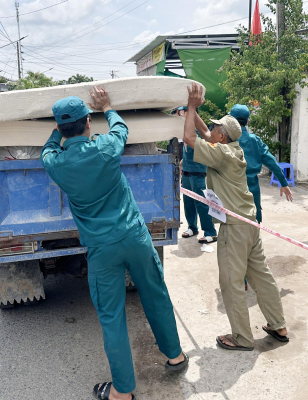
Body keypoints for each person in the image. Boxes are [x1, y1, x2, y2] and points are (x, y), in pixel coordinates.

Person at [41, 88, 187, 400]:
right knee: (155, 294)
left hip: (101, 248)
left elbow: (48, 150)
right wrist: (107, 107)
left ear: (61, 128)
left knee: (112, 317)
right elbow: (122, 128)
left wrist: (57, 134)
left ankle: (123, 391)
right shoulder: (106, 147)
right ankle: (175, 356)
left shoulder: (56, 163)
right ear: (88, 124)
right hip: (134, 236)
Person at [183, 83, 289, 351]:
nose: (212, 128)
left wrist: (193, 107)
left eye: (217, 127)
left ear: (222, 137)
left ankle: (242, 337)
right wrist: (189, 109)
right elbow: (205, 133)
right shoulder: (232, 149)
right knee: (260, 275)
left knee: (231, 282)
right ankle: (278, 325)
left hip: (235, 227)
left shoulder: (220, 155)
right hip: (250, 223)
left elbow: (190, 139)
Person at [230, 104, 293, 223]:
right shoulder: (255, 140)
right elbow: (272, 163)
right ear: (248, 121)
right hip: (251, 188)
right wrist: (283, 183)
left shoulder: (225, 140)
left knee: (233, 224)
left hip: (231, 188)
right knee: (253, 221)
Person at [176, 105, 218, 244]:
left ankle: (210, 232)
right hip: (187, 174)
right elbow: (188, 155)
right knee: (188, 204)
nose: (178, 114)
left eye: (181, 112)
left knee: (202, 204)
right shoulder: (184, 133)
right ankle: (192, 227)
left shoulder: (196, 134)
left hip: (198, 174)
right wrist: (180, 166)